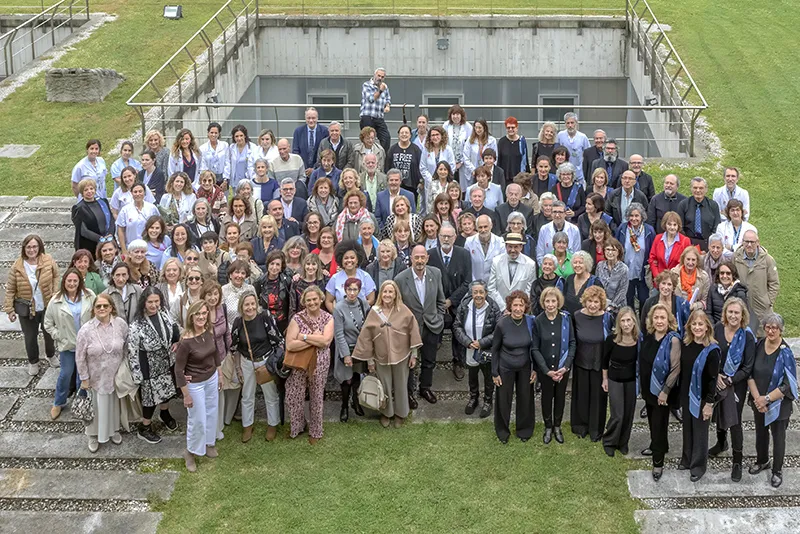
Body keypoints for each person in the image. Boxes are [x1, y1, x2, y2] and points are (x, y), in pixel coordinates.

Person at [352, 280, 421, 427]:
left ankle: (401, 413)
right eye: (385, 292)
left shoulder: (403, 310)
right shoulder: (374, 312)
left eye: (391, 292)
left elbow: (413, 331)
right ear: (381, 294)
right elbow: (366, 337)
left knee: (401, 385)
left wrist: (413, 354)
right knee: (384, 386)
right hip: (380, 356)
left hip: (401, 355)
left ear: (396, 294)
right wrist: (370, 360)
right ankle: (386, 413)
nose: (387, 295)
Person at [707, 297, 756, 482]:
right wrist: (717, 375)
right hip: (718, 379)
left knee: (734, 420)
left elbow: (748, 367)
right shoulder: (718, 329)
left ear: (742, 315)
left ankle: (737, 461)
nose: (733, 315)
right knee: (718, 412)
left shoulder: (747, 335)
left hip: (737, 383)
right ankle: (721, 443)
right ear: (725, 312)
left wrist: (730, 379)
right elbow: (712, 353)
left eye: (737, 312)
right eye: (730, 312)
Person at [748, 313, 797, 489]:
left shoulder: (786, 352)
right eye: (767, 327)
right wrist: (757, 399)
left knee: (778, 438)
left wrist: (767, 399)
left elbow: (788, 384)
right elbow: (750, 372)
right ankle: (762, 461)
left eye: (774, 328)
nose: (770, 330)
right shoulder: (759, 345)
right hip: (758, 401)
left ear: (781, 330)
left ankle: (777, 470)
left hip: (778, 403)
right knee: (761, 434)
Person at [74, 293, 127, 452]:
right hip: (95, 378)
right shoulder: (86, 330)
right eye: (99, 306)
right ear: (94, 309)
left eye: (106, 306)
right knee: (96, 408)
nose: (102, 308)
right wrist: (84, 378)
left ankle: (113, 430)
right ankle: (92, 434)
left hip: (115, 376)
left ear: (111, 307)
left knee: (112, 406)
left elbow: (126, 346)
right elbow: (80, 357)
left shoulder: (121, 325)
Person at [175, 300, 223, 472]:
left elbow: (215, 353)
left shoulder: (209, 331)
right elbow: (178, 370)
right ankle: (191, 452)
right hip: (194, 384)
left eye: (204, 313)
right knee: (198, 419)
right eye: (198, 314)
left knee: (212, 412)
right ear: (191, 316)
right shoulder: (186, 341)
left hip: (211, 379)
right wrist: (186, 394)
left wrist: (219, 373)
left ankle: (209, 443)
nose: (202, 317)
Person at [128, 286, 180, 444]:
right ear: (144, 302)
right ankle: (145, 427)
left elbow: (174, 328)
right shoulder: (136, 325)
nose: (153, 305)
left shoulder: (164, 314)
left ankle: (164, 413)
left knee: (168, 391)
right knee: (149, 399)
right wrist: (137, 374)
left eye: (156, 301)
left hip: (167, 360)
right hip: (148, 365)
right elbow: (132, 350)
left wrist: (176, 342)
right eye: (150, 302)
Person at [395, 245, 446, 405]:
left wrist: (439, 317)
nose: (419, 260)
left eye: (422, 257)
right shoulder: (401, 279)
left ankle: (425, 388)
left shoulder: (435, 274)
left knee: (429, 360)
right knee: (410, 362)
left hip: (432, 325)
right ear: (411, 258)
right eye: (416, 257)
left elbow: (440, 300)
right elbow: (398, 306)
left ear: (427, 258)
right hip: (410, 328)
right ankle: (409, 393)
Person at [44, 268, 96, 420]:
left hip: (86, 345)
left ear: (80, 281)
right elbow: (48, 324)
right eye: (69, 281)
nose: (72, 283)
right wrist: (59, 336)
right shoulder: (55, 300)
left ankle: (81, 403)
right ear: (64, 282)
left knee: (83, 376)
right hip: (67, 345)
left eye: (75, 280)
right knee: (65, 375)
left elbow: (97, 314)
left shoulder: (89, 295)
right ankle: (58, 402)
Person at [4, 235, 60, 375]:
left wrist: (54, 292)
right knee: (30, 337)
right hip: (27, 309)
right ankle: (33, 361)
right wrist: (9, 310)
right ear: (24, 248)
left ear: (39, 247)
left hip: (47, 305)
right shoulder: (17, 267)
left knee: (49, 334)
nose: (32, 249)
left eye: (34, 246)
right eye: (28, 247)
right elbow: (10, 289)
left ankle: (51, 354)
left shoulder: (48, 260)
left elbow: (56, 276)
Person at [230, 293, 282, 443]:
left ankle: (272, 424)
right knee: (247, 395)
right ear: (241, 306)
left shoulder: (264, 317)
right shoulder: (238, 322)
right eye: (247, 304)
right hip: (247, 362)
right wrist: (238, 368)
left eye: (253, 304)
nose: (250, 307)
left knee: (270, 395)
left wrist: (273, 362)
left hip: (265, 361)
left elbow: (278, 340)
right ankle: (247, 425)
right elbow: (234, 346)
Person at [285, 286, 334, 443]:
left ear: (320, 299)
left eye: (315, 299)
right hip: (299, 363)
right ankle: (298, 426)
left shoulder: (328, 318)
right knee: (294, 395)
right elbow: (291, 345)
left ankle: (316, 430)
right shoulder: (297, 319)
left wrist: (303, 336)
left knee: (317, 396)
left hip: (320, 363)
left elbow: (326, 341)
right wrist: (314, 338)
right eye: (308, 300)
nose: (312, 303)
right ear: (303, 302)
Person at [640, 303, 682, 480]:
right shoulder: (649, 336)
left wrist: (665, 391)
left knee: (659, 425)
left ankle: (658, 463)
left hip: (663, 392)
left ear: (669, 320)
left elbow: (676, 368)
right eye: (656, 317)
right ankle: (656, 445)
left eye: (662, 318)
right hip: (649, 390)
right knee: (652, 421)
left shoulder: (673, 339)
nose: (659, 321)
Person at [489, 290, 537, 443]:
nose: (518, 309)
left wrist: (534, 369)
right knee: (503, 400)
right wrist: (494, 372)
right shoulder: (502, 324)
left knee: (525, 398)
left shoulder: (531, 322)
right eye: (515, 305)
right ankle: (503, 431)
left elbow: (535, 347)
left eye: (521, 305)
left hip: (525, 367)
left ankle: (524, 430)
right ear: (509, 306)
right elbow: (494, 349)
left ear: (525, 307)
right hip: (505, 367)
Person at [426, 223, 472, 380]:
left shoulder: (464, 254)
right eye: (443, 236)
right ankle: (429, 362)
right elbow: (427, 281)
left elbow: (467, 282)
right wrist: (440, 302)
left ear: (455, 237)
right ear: (438, 237)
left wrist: (451, 301)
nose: (446, 239)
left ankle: (458, 361)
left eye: (449, 236)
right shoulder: (430, 255)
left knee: (459, 328)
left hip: (457, 302)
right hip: (435, 303)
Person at [680, 310, 721, 482]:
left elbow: (712, 380)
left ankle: (698, 466)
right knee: (687, 428)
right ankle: (687, 459)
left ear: (707, 327)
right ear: (689, 326)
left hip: (703, 396)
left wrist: (709, 404)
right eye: (694, 324)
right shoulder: (686, 344)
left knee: (700, 431)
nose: (697, 327)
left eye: (700, 324)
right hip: (686, 393)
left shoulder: (712, 350)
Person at [452, 281, 502, 417]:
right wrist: (468, 342)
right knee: (472, 376)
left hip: (486, 349)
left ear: (486, 293)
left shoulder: (493, 307)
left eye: (481, 292)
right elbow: (457, 326)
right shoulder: (464, 306)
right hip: (469, 349)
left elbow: (498, 330)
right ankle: (473, 398)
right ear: (471, 293)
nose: (478, 295)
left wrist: (482, 342)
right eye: (475, 292)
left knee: (488, 377)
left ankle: (488, 401)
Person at [532, 287, 575, 444]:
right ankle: (548, 427)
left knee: (560, 397)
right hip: (546, 370)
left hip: (562, 368)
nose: (550, 304)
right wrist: (545, 370)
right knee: (547, 397)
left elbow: (572, 343)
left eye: (553, 301)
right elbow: (535, 348)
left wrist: (567, 365)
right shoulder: (538, 321)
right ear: (543, 303)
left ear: (559, 302)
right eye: (547, 301)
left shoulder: (566, 319)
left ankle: (557, 426)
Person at [571, 286, 611, 441]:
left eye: (596, 301)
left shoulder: (607, 318)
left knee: (598, 398)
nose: (593, 305)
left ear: (601, 302)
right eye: (589, 301)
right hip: (581, 362)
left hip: (599, 365)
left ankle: (596, 429)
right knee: (581, 396)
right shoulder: (576, 316)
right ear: (584, 301)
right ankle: (580, 426)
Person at [602, 307, 640, 457]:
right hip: (614, 379)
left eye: (628, 320)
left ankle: (623, 442)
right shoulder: (611, 339)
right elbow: (605, 361)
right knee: (617, 414)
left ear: (634, 321)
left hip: (631, 380)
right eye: (623, 321)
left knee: (629, 413)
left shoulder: (639, 339)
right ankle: (610, 441)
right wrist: (604, 379)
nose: (626, 324)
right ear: (619, 323)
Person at [332, 278, 370, 422]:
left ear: (359, 291)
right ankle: (344, 406)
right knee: (346, 380)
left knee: (356, 377)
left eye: (355, 290)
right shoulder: (339, 307)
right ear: (345, 290)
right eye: (349, 289)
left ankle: (356, 402)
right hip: (345, 348)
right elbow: (339, 334)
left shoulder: (363, 303)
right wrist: (346, 355)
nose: (352, 293)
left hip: (359, 348)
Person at [734, 230, 779, 335]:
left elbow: (774, 284)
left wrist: (768, 301)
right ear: (742, 242)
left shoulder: (767, 260)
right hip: (743, 305)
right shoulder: (736, 258)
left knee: (764, 336)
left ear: (758, 242)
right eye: (746, 242)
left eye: (752, 242)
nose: (749, 245)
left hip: (762, 307)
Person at [615, 202, 655, 310]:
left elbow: (653, 250)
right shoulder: (623, 229)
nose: (634, 218)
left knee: (644, 299)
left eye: (637, 215)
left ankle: (643, 323)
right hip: (627, 271)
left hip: (642, 271)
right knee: (628, 299)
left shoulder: (649, 230)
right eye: (631, 216)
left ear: (642, 217)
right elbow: (617, 247)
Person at [324, 241, 376, 312]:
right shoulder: (335, 278)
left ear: (357, 259)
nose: (349, 260)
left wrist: (359, 310)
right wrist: (337, 314)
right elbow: (328, 301)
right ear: (341, 260)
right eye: (346, 258)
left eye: (352, 258)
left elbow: (371, 299)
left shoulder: (365, 276)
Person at [488, 232, 536, 308]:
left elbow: (529, 290)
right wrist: (504, 308)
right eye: (510, 246)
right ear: (506, 246)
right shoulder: (496, 262)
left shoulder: (530, 264)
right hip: (500, 309)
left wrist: (517, 307)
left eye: (516, 247)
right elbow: (491, 288)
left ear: (521, 247)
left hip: (520, 309)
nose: (512, 250)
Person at [676, 177, 721, 251]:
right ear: (691, 189)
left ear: (706, 189)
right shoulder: (683, 205)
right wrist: (687, 243)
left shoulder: (713, 205)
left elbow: (716, 226)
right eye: (695, 188)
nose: (698, 190)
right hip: (688, 243)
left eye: (701, 188)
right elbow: (680, 227)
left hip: (708, 243)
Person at [115, 182, 158, 256]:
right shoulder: (125, 210)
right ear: (131, 193)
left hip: (149, 248)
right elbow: (120, 230)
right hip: (131, 249)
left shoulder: (152, 208)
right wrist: (124, 250)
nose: (138, 194)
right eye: (135, 192)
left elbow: (159, 226)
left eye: (140, 191)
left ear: (144, 193)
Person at [253, 250, 292, 332]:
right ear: (267, 265)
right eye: (272, 263)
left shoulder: (287, 281)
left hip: (283, 323)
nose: (274, 267)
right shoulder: (259, 282)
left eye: (278, 264)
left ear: (281, 267)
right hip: (265, 323)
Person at [73, 179, 115, 254]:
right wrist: (100, 239)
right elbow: (83, 231)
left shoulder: (103, 202)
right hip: (90, 244)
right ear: (82, 192)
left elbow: (111, 219)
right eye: (86, 190)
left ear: (95, 189)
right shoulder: (79, 208)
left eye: (91, 188)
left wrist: (110, 234)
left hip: (108, 241)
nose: (89, 191)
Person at [420, 126, 456, 210]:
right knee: (431, 207)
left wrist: (444, 177)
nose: (435, 137)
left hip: (445, 182)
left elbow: (452, 166)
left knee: (445, 205)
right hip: (430, 183)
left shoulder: (448, 149)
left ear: (442, 136)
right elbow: (422, 167)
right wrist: (432, 179)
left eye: (437, 134)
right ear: (429, 137)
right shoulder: (426, 150)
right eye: (432, 135)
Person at [536, 201, 581, 265]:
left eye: (560, 212)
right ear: (551, 214)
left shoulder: (574, 230)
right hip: (548, 269)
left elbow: (577, 255)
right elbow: (540, 255)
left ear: (565, 214)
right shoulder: (544, 229)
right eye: (554, 212)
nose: (557, 215)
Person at [649, 211, 691, 279]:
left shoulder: (685, 241)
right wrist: (657, 276)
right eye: (669, 224)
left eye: (675, 225)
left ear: (678, 226)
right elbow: (652, 259)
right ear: (665, 224)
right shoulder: (658, 238)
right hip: (659, 280)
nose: (672, 227)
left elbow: (687, 262)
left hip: (677, 281)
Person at [463, 215, 505, 283]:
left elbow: (502, 266)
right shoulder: (469, 242)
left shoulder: (500, 242)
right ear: (476, 227)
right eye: (480, 227)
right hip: (474, 283)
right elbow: (466, 265)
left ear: (491, 226)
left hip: (494, 284)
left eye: (485, 226)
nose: (483, 230)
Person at [385, 124, 423, 200]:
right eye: (402, 133)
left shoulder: (416, 150)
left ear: (410, 135)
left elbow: (421, 166)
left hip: (412, 185)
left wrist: (421, 181)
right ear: (398, 135)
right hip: (395, 185)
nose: (404, 135)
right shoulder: (392, 149)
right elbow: (387, 167)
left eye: (406, 133)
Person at [559, 250, 603, 315]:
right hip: (569, 320)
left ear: (587, 264)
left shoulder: (595, 282)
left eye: (580, 263)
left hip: (586, 320)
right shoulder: (569, 278)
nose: (577, 265)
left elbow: (601, 304)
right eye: (575, 262)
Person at [360, 67, 392, 153]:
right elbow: (371, 99)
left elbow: (388, 99)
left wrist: (387, 106)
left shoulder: (385, 87)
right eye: (379, 76)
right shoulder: (366, 85)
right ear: (374, 75)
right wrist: (380, 90)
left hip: (379, 117)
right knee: (367, 140)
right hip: (368, 117)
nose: (380, 78)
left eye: (382, 77)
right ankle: (367, 158)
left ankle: (382, 158)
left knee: (386, 138)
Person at [292, 107, 329, 176]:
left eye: (313, 118)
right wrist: (304, 168)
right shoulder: (298, 131)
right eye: (308, 118)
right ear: (305, 119)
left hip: (320, 170)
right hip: (302, 170)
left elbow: (325, 153)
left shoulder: (325, 131)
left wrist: (314, 169)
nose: (311, 120)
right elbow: (295, 152)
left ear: (317, 118)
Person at [556, 113, 590, 186]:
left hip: (579, 174)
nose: (570, 125)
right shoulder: (560, 135)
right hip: (564, 174)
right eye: (568, 123)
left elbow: (588, 153)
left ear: (576, 123)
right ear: (565, 124)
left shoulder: (583, 137)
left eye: (572, 123)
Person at [595, 238, 629, 313]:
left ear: (618, 252)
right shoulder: (600, 265)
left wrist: (611, 306)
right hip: (602, 306)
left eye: (613, 250)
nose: (610, 252)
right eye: (607, 249)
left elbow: (622, 291)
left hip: (618, 308)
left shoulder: (624, 269)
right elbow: (597, 286)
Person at [463, 119, 498, 190]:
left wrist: (489, 171)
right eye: (476, 127)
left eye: (480, 127)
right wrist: (473, 170)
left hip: (486, 173)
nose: (477, 130)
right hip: (473, 173)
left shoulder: (492, 140)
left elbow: (495, 157)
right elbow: (466, 157)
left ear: (484, 128)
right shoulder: (470, 140)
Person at [671, 246, 710, 310]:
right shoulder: (674, 273)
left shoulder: (704, 277)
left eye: (693, 260)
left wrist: (694, 306)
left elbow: (704, 301)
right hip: (676, 309)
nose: (690, 263)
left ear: (697, 261)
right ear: (683, 259)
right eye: (688, 259)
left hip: (694, 312)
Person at [223, 125, 258, 191]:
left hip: (248, 180)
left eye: (241, 135)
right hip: (235, 182)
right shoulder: (231, 147)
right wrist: (226, 178)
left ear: (245, 136)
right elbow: (228, 163)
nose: (239, 138)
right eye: (236, 136)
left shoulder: (253, 148)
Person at [496, 117, 530, 184]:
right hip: (505, 179)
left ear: (517, 128)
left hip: (519, 179)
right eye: (508, 128)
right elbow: (499, 161)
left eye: (513, 127)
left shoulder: (522, 142)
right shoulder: (502, 142)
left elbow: (525, 160)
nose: (510, 129)